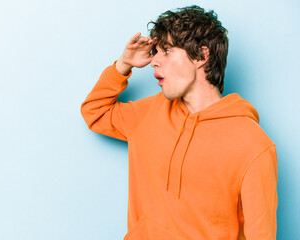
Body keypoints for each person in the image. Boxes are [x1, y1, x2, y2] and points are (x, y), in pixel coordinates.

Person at [80, 5, 277, 240]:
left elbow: (260, 234)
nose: (154, 62)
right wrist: (124, 64)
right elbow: (95, 112)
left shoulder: (254, 145)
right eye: (156, 52)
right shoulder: (149, 113)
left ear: (202, 56)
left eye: (167, 51)